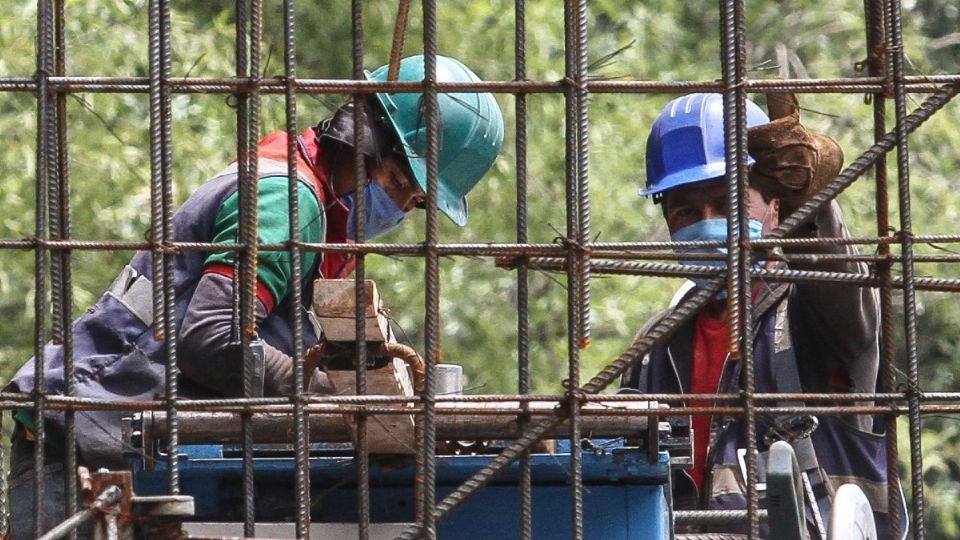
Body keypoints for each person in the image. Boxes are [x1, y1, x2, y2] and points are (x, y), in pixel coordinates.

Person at [5, 54, 504, 539]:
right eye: (399, 183)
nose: (398, 208)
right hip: (86, 434)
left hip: (122, 434)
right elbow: (211, 339)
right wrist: (333, 395)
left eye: (414, 203)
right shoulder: (287, 200)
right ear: (360, 140)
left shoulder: (326, 221)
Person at [621, 93, 905, 540]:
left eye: (728, 204)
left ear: (774, 207)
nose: (708, 222)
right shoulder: (656, 345)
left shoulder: (814, 314)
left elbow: (838, 279)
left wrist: (812, 204)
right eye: (686, 211)